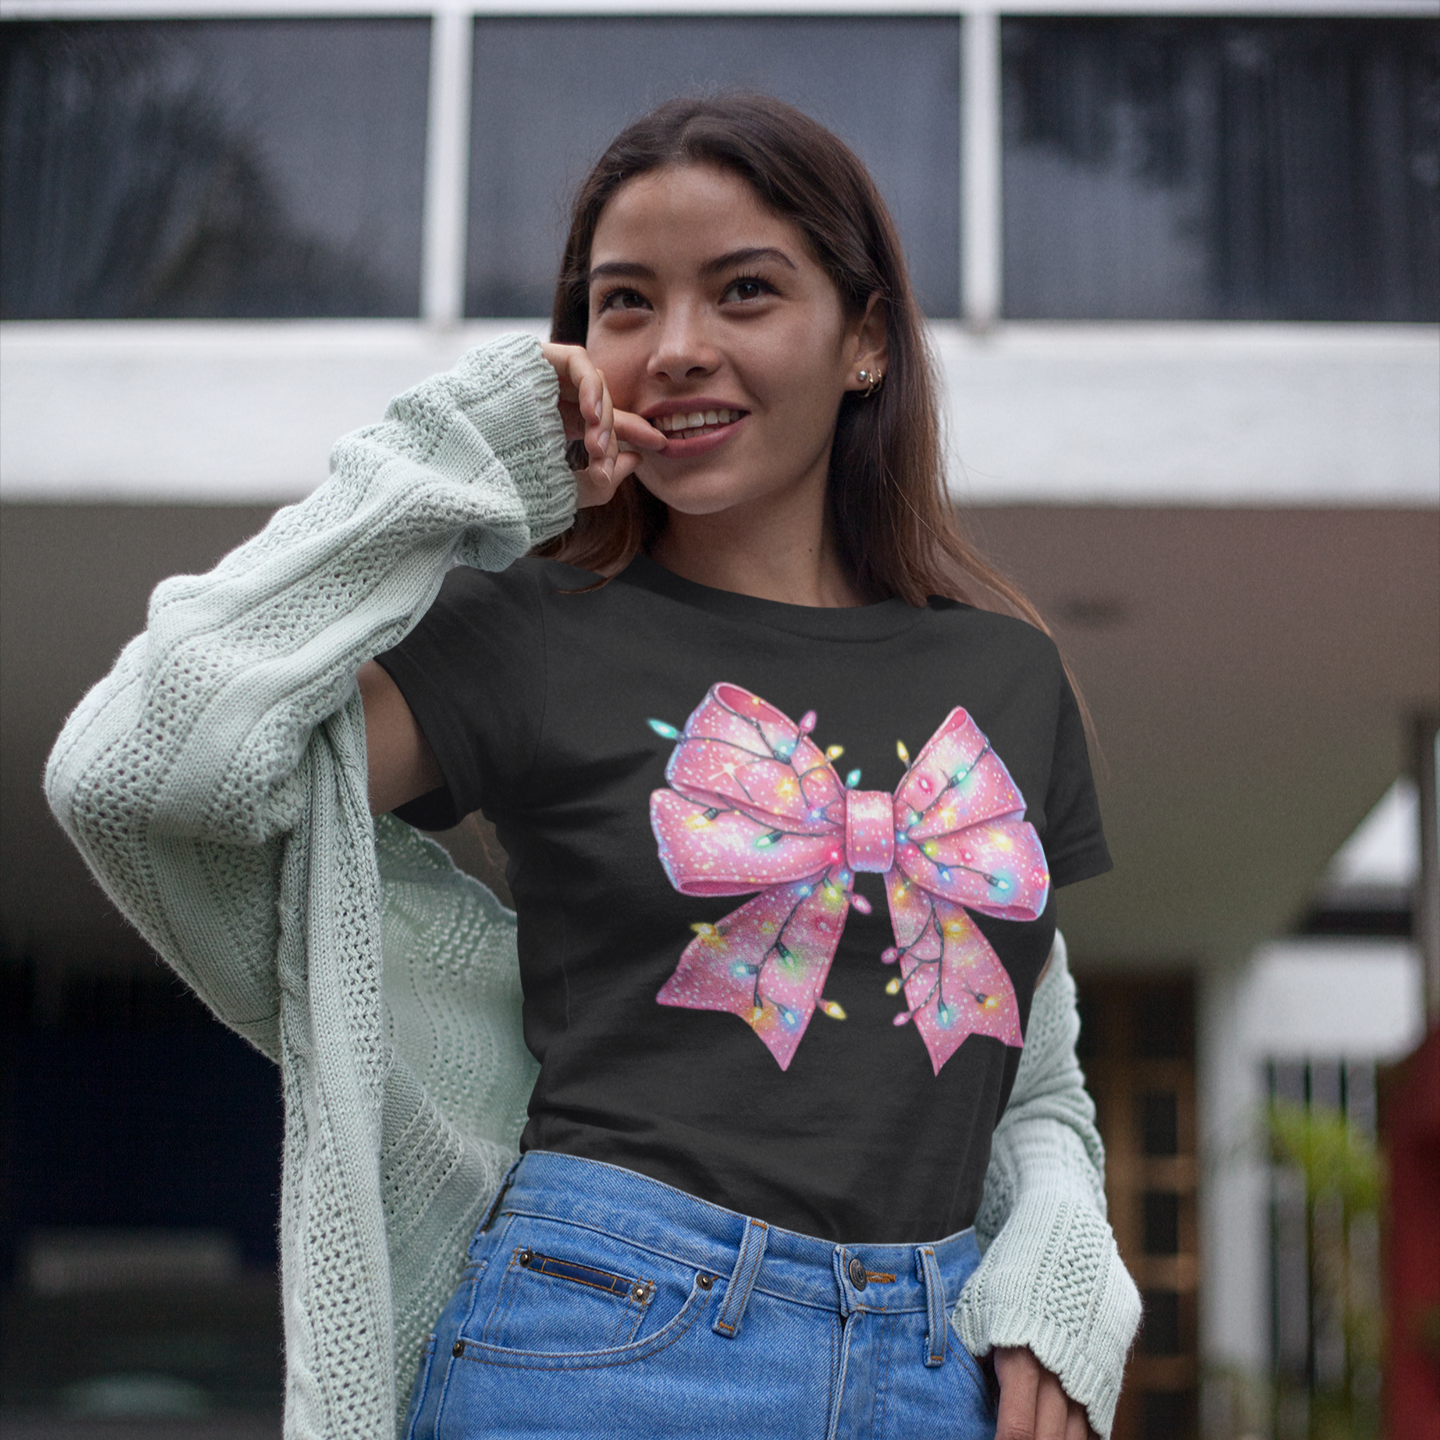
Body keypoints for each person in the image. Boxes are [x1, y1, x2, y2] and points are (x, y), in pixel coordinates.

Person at [47, 95, 1139, 1440]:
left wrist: (1062, 1277)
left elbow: (1033, 1072)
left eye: (744, 291)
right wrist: (452, 460)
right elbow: (137, 770)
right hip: (602, 1337)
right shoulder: (528, 632)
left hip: (936, 1369)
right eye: (625, 305)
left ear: (864, 340)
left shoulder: (1005, 674)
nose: (677, 348)